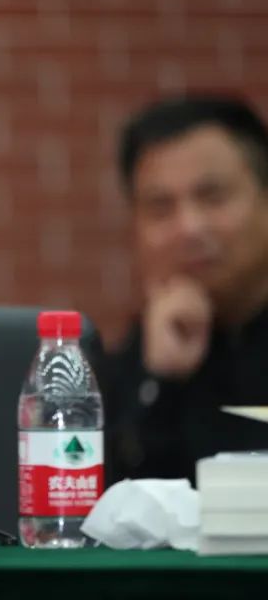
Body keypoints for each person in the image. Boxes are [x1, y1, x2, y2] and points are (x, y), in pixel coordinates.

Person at [99, 93, 268, 485]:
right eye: (161, 208)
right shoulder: (139, 363)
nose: (189, 228)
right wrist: (162, 382)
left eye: (213, 197)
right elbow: (118, 504)